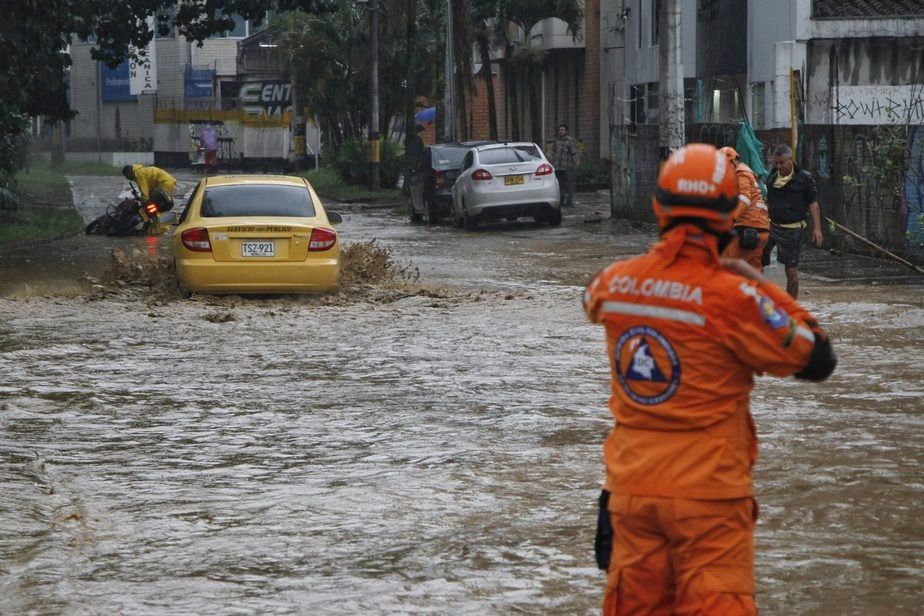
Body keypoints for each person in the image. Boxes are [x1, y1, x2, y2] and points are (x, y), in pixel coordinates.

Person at [583, 143, 836, 615]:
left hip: (630, 495)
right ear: (728, 215)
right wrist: (758, 284)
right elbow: (818, 357)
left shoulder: (616, 284)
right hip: (709, 502)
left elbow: (590, 297)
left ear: (658, 207)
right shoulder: (736, 298)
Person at [762, 144, 823, 298]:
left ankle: (791, 305)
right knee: (757, 258)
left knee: (790, 270)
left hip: (793, 229)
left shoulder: (804, 178)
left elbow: (813, 204)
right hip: (772, 226)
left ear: (790, 160)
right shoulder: (772, 177)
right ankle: (759, 298)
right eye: (776, 163)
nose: (779, 166)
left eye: (782, 162)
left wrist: (817, 228)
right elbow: (769, 201)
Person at [719, 146, 771, 271]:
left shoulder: (741, 173)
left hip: (748, 227)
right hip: (758, 228)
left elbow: (744, 199)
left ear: (732, 161)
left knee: (727, 264)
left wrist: (731, 219)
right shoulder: (743, 173)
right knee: (754, 269)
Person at [551, 123, 579, 206]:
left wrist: (577, 161)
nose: (560, 131)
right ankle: (561, 200)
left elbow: (574, 152)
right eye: (559, 130)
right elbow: (553, 152)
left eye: (562, 130)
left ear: (566, 131)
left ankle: (569, 201)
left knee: (569, 184)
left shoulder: (570, 140)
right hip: (558, 166)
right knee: (560, 184)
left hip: (567, 165)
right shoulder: (556, 140)